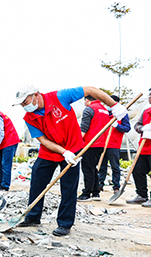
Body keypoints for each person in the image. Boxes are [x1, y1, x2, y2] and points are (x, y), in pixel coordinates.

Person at [13, 85, 127, 236]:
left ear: (36, 95)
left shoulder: (59, 97)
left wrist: (114, 105)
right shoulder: (29, 117)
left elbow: (90, 90)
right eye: (21, 104)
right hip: (50, 151)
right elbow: (43, 140)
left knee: (68, 187)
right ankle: (32, 216)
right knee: (37, 180)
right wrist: (63, 151)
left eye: (25, 101)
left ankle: (65, 224)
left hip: (73, 149)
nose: (24, 106)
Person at [77, 95, 111, 202]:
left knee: (87, 169)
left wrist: (77, 143)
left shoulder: (89, 109)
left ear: (87, 100)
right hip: (101, 144)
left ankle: (86, 193)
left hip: (90, 144)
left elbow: (84, 128)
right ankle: (95, 192)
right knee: (93, 169)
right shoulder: (104, 110)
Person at [98, 95, 131, 194]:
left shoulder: (122, 115)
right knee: (102, 165)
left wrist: (117, 126)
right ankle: (99, 184)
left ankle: (116, 186)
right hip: (103, 143)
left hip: (114, 144)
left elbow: (127, 128)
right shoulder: (104, 113)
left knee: (115, 166)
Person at [128, 88, 151, 208]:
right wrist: (143, 129)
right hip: (144, 148)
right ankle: (142, 195)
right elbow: (137, 125)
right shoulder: (146, 111)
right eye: (149, 95)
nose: (150, 97)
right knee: (137, 171)